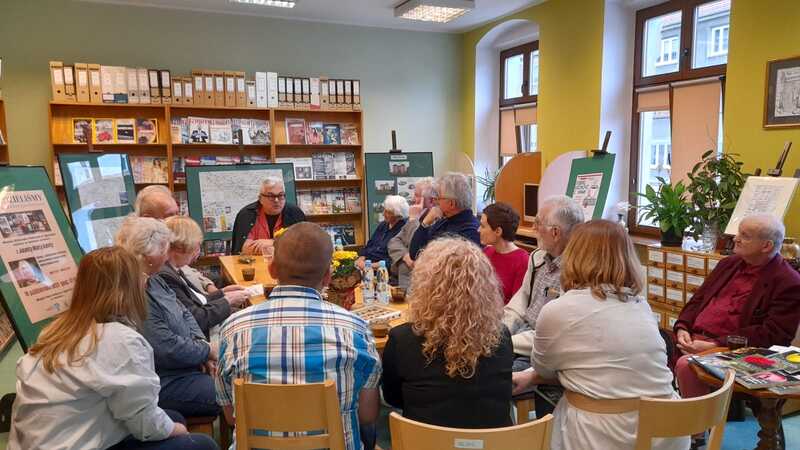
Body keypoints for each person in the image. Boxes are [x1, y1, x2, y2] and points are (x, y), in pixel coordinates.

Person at [9, 247, 218, 450]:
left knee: (173, 417)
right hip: (77, 440)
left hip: (44, 439)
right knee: (201, 443)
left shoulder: (55, 331)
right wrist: (178, 431)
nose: (146, 282)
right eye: (142, 277)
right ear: (129, 288)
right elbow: (145, 424)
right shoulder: (120, 340)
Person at [512, 220, 688, 450]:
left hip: (602, 434)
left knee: (559, 411)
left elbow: (545, 368)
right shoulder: (640, 305)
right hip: (666, 431)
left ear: (573, 256)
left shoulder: (558, 310)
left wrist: (532, 375)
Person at [216, 222, 381, 450]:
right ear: (327, 276)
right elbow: (367, 415)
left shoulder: (233, 328)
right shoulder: (355, 328)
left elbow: (231, 417)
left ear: (272, 269)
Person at [381, 237, 513, 429]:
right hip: (491, 443)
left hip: (423, 443)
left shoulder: (402, 339)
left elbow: (393, 398)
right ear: (486, 287)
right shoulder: (501, 337)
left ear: (424, 286)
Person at [674, 215, 800, 399]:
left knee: (687, 366)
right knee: (647, 348)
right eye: (738, 232)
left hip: (734, 350)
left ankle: (698, 427)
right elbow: (698, 301)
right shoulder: (728, 264)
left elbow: (774, 333)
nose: (735, 238)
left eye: (745, 235)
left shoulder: (788, 281)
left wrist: (717, 344)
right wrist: (682, 327)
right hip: (694, 339)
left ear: (766, 246)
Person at [116, 217, 220, 418]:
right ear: (148, 255)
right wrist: (206, 350)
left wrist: (202, 348)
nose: (167, 255)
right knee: (232, 390)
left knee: (233, 380)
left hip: (185, 366)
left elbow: (185, 313)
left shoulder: (154, 278)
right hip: (164, 380)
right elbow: (165, 347)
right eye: (164, 249)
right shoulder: (135, 291)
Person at [502, 195, 584, 366]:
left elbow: (553, 336)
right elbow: (521, 300)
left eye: (538, 223)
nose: (533, 228)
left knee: (495, 379)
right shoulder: (537, 258)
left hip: (543, 349)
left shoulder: (578, 273)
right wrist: (501, 332)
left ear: (555, 233)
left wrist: (504, 343)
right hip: (520, 337)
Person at [159, 216, 249, 338]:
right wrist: (228, 301)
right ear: (180, 247)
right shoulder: (166, 276)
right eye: (195, 246)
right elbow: (196, 319)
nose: (197, 252)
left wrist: (222, 293)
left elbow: (198, 300)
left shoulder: (173, 268)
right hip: (204, 336)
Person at [135, 185, 221, 295]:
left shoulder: (164, 242)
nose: (177, 220)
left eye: (177, 213)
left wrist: (208, 285)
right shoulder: (151, 256)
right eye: (170, 215)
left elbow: (186, 270)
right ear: (147, 218)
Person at [409, 173, 480, 259]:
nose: (435, 201)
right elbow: (414, 253)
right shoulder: (442, 221)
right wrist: (425, 223)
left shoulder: (471, 231)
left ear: (451, 203)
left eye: (438, 197)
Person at [231, 177, 305, 255]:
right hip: (253, 265)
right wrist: (285, 245)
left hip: (287, 265)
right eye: (271, 196)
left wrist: (273, 242)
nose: (276, 200)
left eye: (280, 195)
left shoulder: (295, 213)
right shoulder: (247, 214)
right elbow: (245, 249)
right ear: (260, 198)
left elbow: (303, 245)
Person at [387, 177, 434, 288]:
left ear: (431, 200)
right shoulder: (419, 215)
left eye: (417, 195)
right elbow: (393, 242)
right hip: (403, 280)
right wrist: (404, 255)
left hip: (420, 283)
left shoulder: (435, 220)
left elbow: (416, 248)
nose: (413, 199)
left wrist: (413, 221)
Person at [479, 202, 529, 304]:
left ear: (498, 231)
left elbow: (517, 304)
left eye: (483, 226)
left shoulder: (522, 260)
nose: (478, 230)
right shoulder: (486, 252)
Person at [356, 195, 408, 270]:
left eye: (387, 212)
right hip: (366, 263)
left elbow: (393, 260)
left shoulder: (404, 229)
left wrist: (370, 266)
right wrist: (361, 258)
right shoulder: (383, 224)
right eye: (384, 210)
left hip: (382, 270)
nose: (383, 214)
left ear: (398, 215)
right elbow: (370, 244)